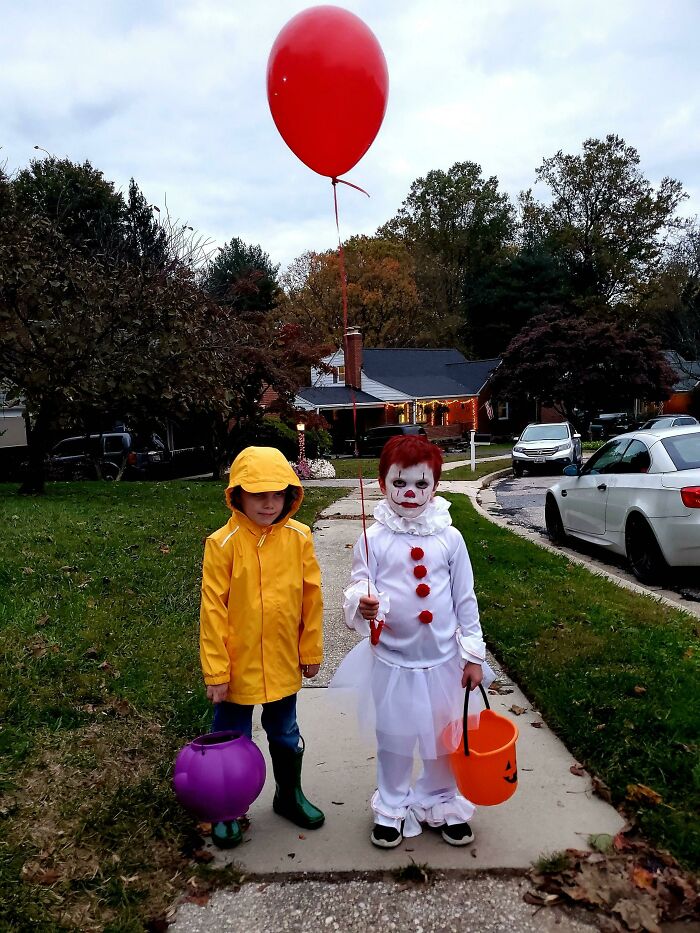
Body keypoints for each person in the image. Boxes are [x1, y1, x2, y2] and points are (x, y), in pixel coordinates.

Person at [331, 435, 492, 849]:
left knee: (443, 737)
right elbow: (357, 584)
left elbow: (464, 599)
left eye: (421, 484)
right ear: (383, 483)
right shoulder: (375, 538)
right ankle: (392, 805)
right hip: (393, 661)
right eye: (399, 482)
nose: (409, 493)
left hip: (443, 662)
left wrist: (472, 655)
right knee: (395, 739)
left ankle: (440, 801)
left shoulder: (449, 538)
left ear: (435, 486)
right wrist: (362, 606)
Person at [199, 446, 325, 848]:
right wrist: (217, 671)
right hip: (238, 665)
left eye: (278, 494)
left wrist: (311, 650)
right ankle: (227, 807)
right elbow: (213, 610)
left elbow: (311, 597)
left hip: (284, 658)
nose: (270, 504)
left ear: (291, 494)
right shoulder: (223, 543)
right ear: (237, 494)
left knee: (285, 732)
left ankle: (289, 794)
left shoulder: (298, 537)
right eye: (259, 495)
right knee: (232, 738)